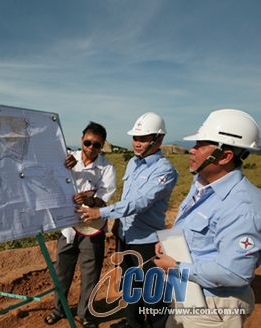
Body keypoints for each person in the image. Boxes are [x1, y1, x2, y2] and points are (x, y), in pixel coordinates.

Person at [154, 109, 261, 328]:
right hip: (186, 291)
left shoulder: (241, 207)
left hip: (213, 306)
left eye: (200, 145)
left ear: (225, 156)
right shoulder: (202, 184)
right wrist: (170, 245)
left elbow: (235, 274)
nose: (191, 150)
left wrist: (175, 266)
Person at [77, 112, 178, 328]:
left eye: (143, 139)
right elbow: (126, 198)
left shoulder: (164, 170)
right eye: (135, 138)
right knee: (130, 287)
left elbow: (141, 202)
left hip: (148, 242)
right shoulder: (133, 163)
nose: (137, 143)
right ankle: (132, 324)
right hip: (126, 237)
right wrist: (118, 225)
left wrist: (101, 213)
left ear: (158, 140)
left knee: (153, 295)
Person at [45, 122, 116, 328]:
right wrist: (60, 165)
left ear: (102, 146)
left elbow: (104, 198)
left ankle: (86, 313)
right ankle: (59, 309)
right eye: (87, 142)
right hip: (67, 226)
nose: (90, 148)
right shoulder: (68, 158)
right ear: (82, 139)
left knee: (90, 272)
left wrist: (89, 198)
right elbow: (50, 178)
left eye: (96, 145)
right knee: (62, 270)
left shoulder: (106, 167)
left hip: (91, 227)